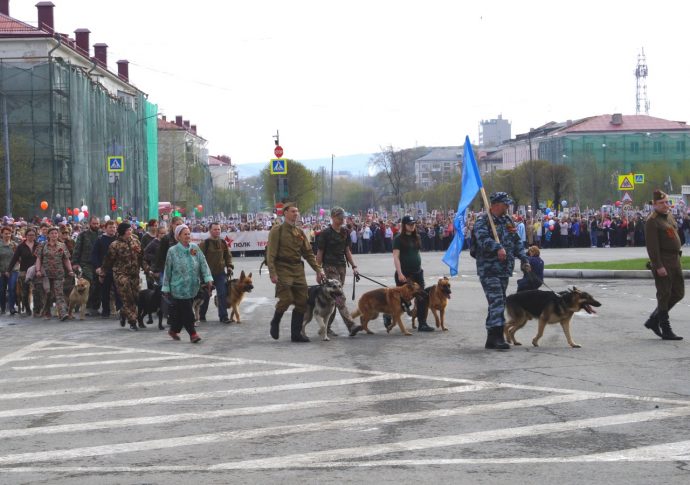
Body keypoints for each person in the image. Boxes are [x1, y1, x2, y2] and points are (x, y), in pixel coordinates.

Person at [473, 192, 531, 349]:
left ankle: (492, 338)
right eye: (505, 204)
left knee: (497, 303)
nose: (507, 207)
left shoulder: (507, 220)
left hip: (504, 269)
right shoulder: (483, 221)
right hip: (489, 269)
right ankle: (497, 336)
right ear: (496, 204)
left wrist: (524, 259)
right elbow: (482, 239)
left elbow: (516, 241)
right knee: (497, 301)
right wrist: (497, 247)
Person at [266, 202, 326, 342]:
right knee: (286, 298)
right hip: (282, 268)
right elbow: (271, 254)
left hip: (298, 269)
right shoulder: (277, 230)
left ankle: (296, 334)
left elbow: (308, 254)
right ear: (285, 213)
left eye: (297, 211)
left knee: (302, 301)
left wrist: (318, 269)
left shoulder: (299, 232)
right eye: (293, 211)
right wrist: (273, 272)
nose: (296, 213)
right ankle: (275, 321)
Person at [643, 189, 684, 340]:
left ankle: (654, 320)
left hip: (675, 260)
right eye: (661, 203)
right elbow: (652, 247)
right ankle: (665, 328)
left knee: (678, 293)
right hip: (664, 261)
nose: (665, 205)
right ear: (654, 204)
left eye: (667, 202)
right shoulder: (652, 221)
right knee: (664, 294)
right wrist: (658, 265)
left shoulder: (668, 216)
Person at [162, 224, 212, 343]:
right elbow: (167, 269)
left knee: (181, 312)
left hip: (192, 286)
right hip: (178, 287)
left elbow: (203, 263)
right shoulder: (172, 251)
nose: (188, 236)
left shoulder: (194, 248)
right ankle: (193, 334)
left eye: (189, 233)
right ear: (178, 236)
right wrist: (166, 287)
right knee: (188, 312)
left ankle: (173, 330)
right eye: (185, 234)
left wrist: (208, 278)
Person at [316, 206, 358, 335]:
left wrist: (354, 266)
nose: (342, 220)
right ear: (333, 217)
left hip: (341, 267)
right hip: (329, 266)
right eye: (340, 218)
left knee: (333, 299)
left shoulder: (345, 232)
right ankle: (351, 325)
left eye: (343, 217)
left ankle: (325, 327)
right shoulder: (325, 233)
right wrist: (318, 271)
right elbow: (320, 252)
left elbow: (347, 251)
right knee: (339, 296)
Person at [390, 215, 434, 332]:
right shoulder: (398, 238)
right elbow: (396, 257)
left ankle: (422, 323)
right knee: (403, 300)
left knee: (422, 297)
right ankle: (388, 314)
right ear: (404, 225)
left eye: (414, 223)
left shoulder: (417, 237)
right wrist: (400, 273)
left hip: (417, 272)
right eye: (410, 224)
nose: (412, 225)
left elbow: (415, 253)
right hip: (404, 273)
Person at [101, 222, 144, 331]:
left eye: (131, 230)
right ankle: (133, 321)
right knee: (127, 297)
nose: (130, 231)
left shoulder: (136, 242)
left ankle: (123, 313)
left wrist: (149, 270)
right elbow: (108, 260)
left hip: (134, 274)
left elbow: (141, 258)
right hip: (121, 274)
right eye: (128, 230)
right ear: (123, 231)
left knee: (135, 297)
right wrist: (103, 272)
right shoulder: (115, 245)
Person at [34, 226, 74, 320]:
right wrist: (38, 270)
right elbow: (38, 259)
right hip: (46, 274)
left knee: (59, 293)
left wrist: (70, 270)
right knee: (48, 294)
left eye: (56, 233)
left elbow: (66, 259)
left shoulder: (62, 245)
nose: (54, 235)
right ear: (48, 235)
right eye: (52, 233)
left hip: (58, 273)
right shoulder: (42, 245)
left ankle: (63, 313)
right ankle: (47, 312)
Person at [199, 221, 234, 324]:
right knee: (205, 295)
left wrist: (230, 267)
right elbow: (199, 259)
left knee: (222, 294)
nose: (217, 231)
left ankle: (223, 317)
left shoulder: (223, 243)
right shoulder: (204, 243)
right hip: (207, 275)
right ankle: (201, 315)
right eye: (215, 229)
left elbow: (228, 256)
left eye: (219, 229)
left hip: (220, 273)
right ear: (210, 230)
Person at [71, 216, 101, 315]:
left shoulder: (101, 235)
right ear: (89, 224)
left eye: (97, 224)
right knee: (89, 282)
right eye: (94, 224)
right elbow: (77, 249)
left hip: (98, 264)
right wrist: (75, 262)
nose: (96, 225)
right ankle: (87, 306)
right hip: (86, 263)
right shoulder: (83, 235)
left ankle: (95, 306)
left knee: (98, 285)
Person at [91, 220, 121, 319]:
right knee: (105, 291)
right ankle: (105, 311)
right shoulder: (100, 239)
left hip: (117, 269)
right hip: (105, 269)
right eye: (110, 227)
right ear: (105, 228)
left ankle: (120, 310)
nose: (112, 229)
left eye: (114, 227)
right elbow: (94, 255)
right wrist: (98, 268)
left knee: (119, 291)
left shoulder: (119, 239)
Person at [7, 227, 38, 315]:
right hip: (24, 271)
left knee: (37, 291)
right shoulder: (21, 246)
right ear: (26, 236)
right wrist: (9, 270)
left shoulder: (38, 245)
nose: (31, 236)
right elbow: (14, 259)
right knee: (25, 291)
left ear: (35, 236)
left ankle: (37, 309)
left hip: (36, 270)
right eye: (29, 235)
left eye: (33, 235)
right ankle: (28, 309)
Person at [0, 226, 19, 315]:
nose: (7, 235)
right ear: (2, 234)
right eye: (5, 233)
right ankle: (2, 308)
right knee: (2, 290)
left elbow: (19, 258)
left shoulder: (14, 245)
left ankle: (12, 307)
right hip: (2, 271)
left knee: (12, 288)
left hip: (13, 270)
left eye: (9, 233)